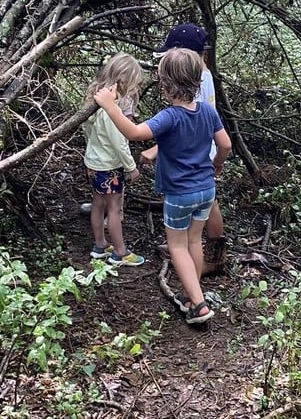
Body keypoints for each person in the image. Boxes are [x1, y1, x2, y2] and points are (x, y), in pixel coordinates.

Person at [94, 48, 232, 324]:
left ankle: (200, 306)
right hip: (206, 190)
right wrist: (216, 164)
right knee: (194, 240)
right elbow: (225, 144)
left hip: (180, 194)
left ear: (165, 86)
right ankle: (192, 293)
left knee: (177, 246)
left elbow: (134, 133)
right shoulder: (207, 110)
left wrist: (109, 105)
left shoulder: (169, 116)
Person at [145, 23, 228, 276]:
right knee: (207, 202)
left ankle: (212, 257)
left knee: (207, 204)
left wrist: (157, 148)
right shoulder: (204, 73)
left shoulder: (196, 81)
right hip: (207, 146)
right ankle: (207, 253)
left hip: (199, 150)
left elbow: (186, 124)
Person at [82, 53, 145, 267]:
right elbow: (119, 142)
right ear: (124, 81)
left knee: (98, 204)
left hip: (95, 162)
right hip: (109, 166)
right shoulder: (112, 110)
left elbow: (88, 131)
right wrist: (131, 167)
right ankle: (120, 251)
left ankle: (100, 245)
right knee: (114, 208)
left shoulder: (95, 101)